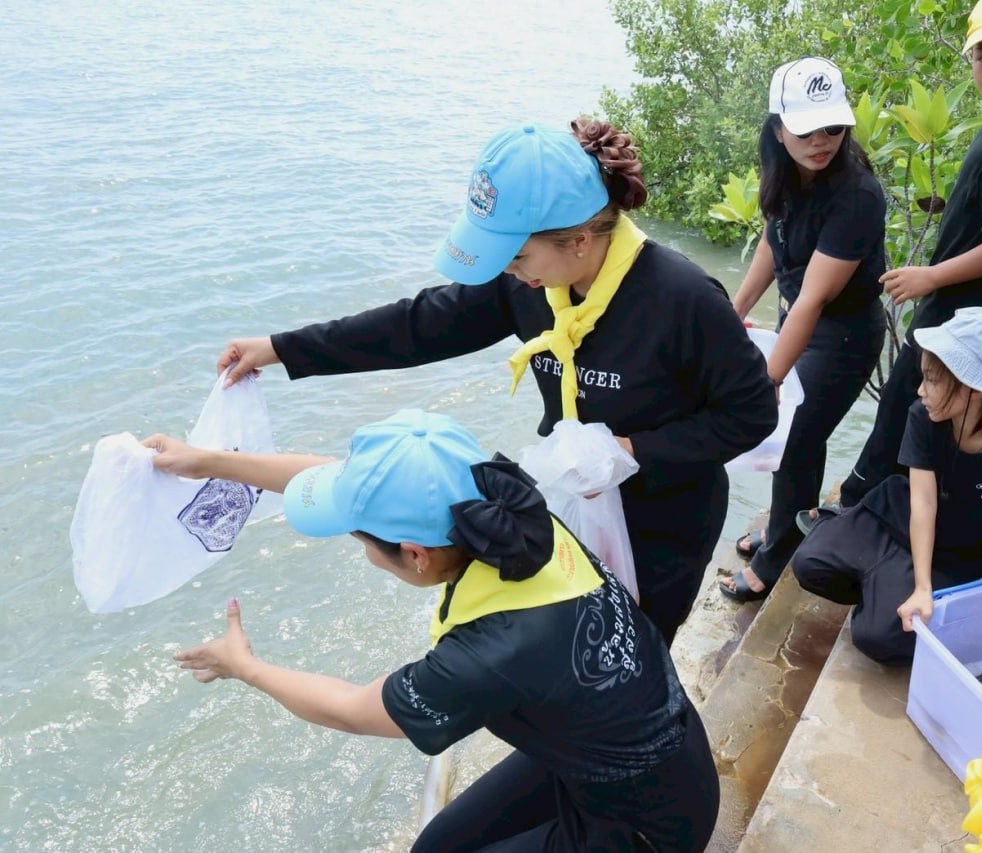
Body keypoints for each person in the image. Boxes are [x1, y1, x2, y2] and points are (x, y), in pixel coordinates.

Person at [213, 118, 778, 646]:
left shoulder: (683, 299)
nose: (507, 270)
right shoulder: (529, 285)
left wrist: (630, 451)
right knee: (562, 645)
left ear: (580, 239)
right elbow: (414, 327)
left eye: (517, 255)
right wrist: (282, 348)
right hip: (565, 495)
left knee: (635, 650)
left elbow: (751, 413)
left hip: (663, 520)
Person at [154, 410, 720, 851]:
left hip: (648, 830)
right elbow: (358, 485)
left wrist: (244, 666)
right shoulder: (514, 520)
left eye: (363, 543)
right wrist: (210, 462)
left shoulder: (487, 654)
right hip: (636, 755)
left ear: (415, 555)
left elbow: (349, 710)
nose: (366, 553)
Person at [831, 0, 982, 514]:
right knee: (930, 419)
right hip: (966, 308)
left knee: (906, 409)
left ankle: (856, 513)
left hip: (969, 316)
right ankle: (878, 512)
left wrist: (931, 276)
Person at [791, 308, 982, 664]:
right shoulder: (924, 416)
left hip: (952, 556)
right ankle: (881, 586)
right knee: (808, 564)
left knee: (876, 639)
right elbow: (923, 503)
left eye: (932, 380)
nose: (921, 390)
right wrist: (921, 588)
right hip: (894, 518)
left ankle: (887, 596)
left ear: (973, 387)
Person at [720, 57, 888, 602]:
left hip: (842, 336)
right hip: (799, 319)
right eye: (806, 129)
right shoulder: (786, 176)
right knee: (797, 439)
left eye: (833, 128)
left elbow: (815, 296)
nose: (821, 142)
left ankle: (775, 559)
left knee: (794, 437)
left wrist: (770, 378)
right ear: (777, 130)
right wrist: (734, 312)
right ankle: (783, 527)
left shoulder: (857, 195)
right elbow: (771, 246)